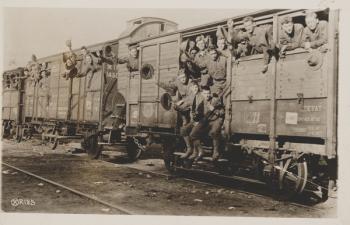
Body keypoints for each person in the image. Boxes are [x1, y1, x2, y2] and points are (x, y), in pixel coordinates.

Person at [189, 86, 225, 161]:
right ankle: (201, 151)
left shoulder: (215, 100)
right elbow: (198, 114)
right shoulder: (201, 102)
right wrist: (195, 117)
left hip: (216, 120)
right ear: (202, 94)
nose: (207, 95)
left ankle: (216, 152)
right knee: (193, 134)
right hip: (205, 121)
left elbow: (222, 112)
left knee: (214, 132)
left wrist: (214, 110)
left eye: (208, 93)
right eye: (205, 93)